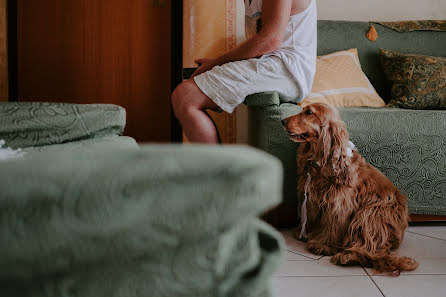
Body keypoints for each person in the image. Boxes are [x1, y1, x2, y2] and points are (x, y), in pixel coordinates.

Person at [172, 0, 317, 143]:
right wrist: (215, 65)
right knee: (186, 96)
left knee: (186, 96)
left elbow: (270, 40)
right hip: (273, 65)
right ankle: (217, 165)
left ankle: (217, 167)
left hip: (287, 70)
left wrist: (215, 64)